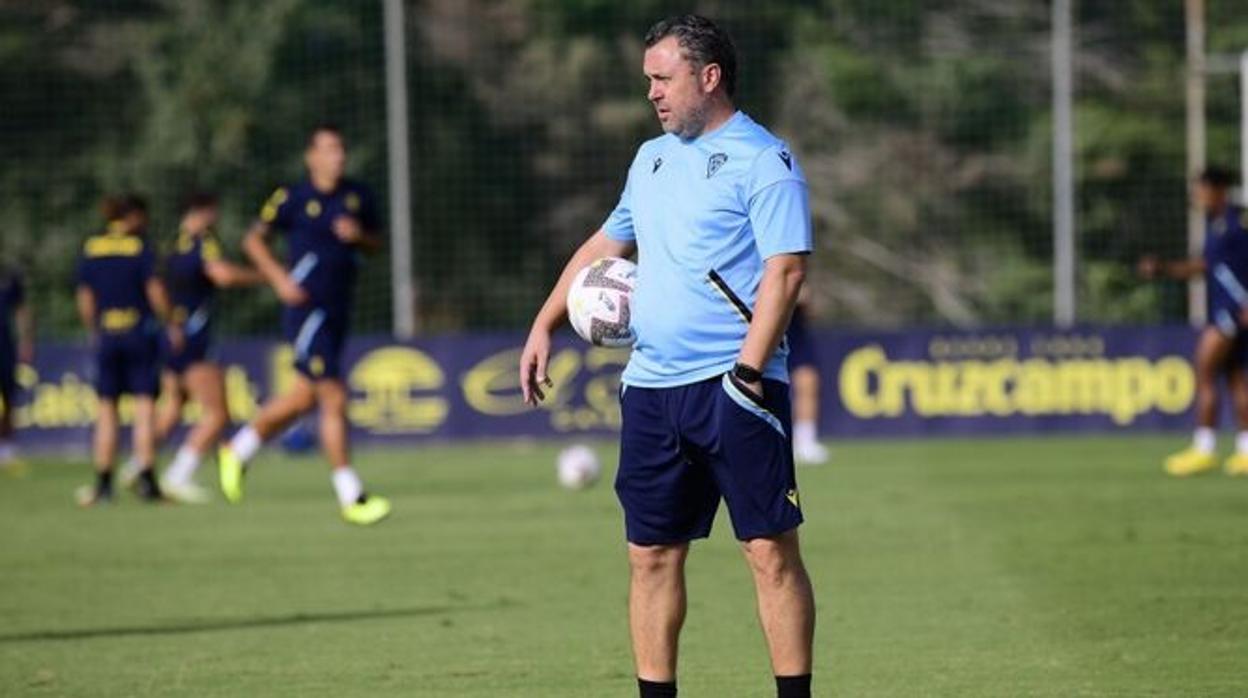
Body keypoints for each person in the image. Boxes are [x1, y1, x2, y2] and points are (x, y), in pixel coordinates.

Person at [519, 16, 816, 698]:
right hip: (651, 389)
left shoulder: (763, 159)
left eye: (663, 78)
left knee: (768, 552)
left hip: (734, 388)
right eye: (648, 79)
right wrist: (544, 323)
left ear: (708, 77)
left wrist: (747, 373)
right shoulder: (649, 159)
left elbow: (787, 273)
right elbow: (604, 247)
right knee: (650, 555)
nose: (651, 92)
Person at [217, 124, 391, 526]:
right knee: (333, 396)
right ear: (311, 156)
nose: (338, 157)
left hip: (339, 310)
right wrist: (279, 280)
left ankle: (237, 449)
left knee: (301, 399)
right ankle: (352, 496)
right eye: (329, 149)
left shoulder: (358, 196)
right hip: (307, 312)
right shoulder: (292, 198)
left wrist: (359, 236)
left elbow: (377, 244)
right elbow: (252, 241)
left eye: (341, 149)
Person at [149, 193, 262, 503]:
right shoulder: (204, 242)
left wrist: (169, 320)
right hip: (194, 337)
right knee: (217, 414)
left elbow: (155, 286)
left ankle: (139, 466)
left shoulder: (170, 245)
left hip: (172, 334)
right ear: (202, 212)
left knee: (173, 405)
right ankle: (178, 475)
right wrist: (264, 275)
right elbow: (222, 275)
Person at [1140, 167, 1248, 476]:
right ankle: (1244, 450)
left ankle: (1204, 448)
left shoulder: (1237, 222)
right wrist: (1165, 269)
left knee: (1205, 369)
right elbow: (1206, 266)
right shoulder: (1214, 225)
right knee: (1236, 376)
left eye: (1202, 189)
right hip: (1227, 310)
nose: (1198, 195)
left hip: (1232, 310)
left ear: (1218, 189)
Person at [74, 195, 180, 505]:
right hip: (138, 334)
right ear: (133, 216)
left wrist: (94, 328)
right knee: (144, 406)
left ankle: (104, 484)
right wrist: (171, 321)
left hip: (107, 335)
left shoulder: (92, 247)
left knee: (106, 409)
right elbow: (155, 291)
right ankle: (147, 480)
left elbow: (85, 297)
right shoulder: (139, 247)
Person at [787, 292, 828, 464]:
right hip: (760, 331)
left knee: (807, 381)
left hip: (794, 335)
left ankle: (805, 441)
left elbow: (812, 308)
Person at [0, 264, 33, 473]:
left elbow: (21, 310)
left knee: (9, 397)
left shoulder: (9, 276)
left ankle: (7, 450)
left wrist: (25, 340)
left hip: (4, 346)